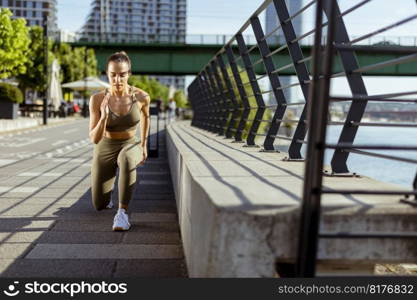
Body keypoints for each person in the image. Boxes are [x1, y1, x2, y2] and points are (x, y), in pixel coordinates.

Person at [88, 51, 150, 231]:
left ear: (129, 74)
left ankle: (122, 213)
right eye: (112, 75)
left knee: (127, 159)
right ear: (107, 74)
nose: (117, 79)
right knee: (99, 204)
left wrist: (144, 145)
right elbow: (94, 138)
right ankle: (109, 196)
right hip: (105, 146)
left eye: (122, 74)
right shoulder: (97, 99)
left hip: (130, 142)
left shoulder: (141, 97)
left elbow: (146, 118)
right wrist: (104, 117)